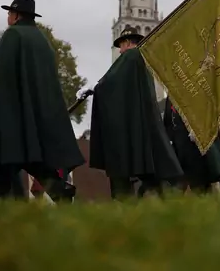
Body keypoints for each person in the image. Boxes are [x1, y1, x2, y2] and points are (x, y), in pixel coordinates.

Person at [0, 0, 83, 202]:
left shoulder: (12, 35)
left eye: (10, 13)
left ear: (17, 15)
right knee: (33, 163)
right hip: (39, 116)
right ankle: (60, 190)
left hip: (16, 116)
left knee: (5, 161)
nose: (8, 17)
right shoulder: (42, 41)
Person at [77, 26, 183, 199]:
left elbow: (111, 82)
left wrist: (96, 87)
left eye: (121, 45)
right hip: (142, 123)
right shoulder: (143, 59)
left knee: (122, 172)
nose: (120, 50)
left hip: (127, 128)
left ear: (127, 43)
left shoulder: (130, 56)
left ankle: (127, 203)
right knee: (149, 174)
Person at [163, 96, 220, 195]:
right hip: (178, 150)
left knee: (200, 188)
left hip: (197, 152)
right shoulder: (171, 96)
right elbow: (168, 121)